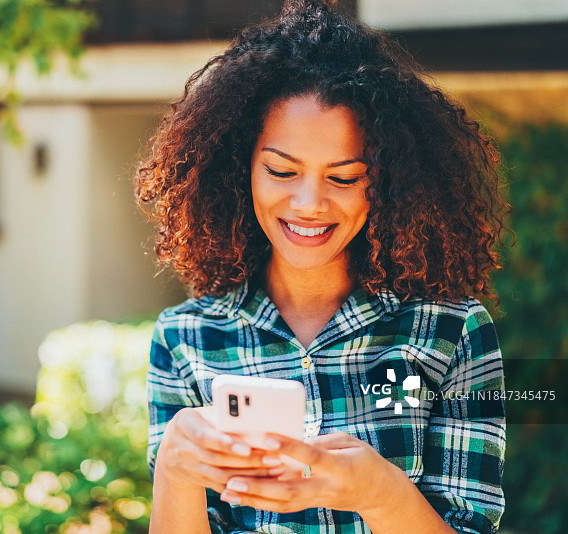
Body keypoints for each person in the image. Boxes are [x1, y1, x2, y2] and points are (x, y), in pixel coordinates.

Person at [135, 0, 507, 533]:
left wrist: (380, 493)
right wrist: (175, 470)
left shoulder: (451, 330)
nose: (309, 203)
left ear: (387, 182)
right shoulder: (184, 338)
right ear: (240, 169)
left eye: (344, 177)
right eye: (282, 171)